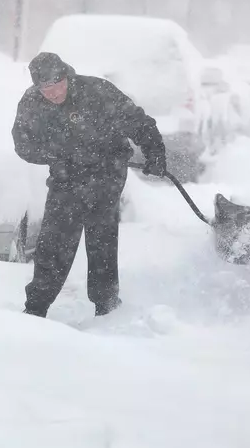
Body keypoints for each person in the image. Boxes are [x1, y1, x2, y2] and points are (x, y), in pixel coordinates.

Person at [11, 52, 166, 318]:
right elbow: (23, 145)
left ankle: (106, 304)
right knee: (55, 239)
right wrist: (60, 155)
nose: (51, 93)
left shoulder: (97, 91)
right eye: (44, 88)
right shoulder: (32, 103)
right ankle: (36, 307)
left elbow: (138, 121)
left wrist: (155, 153)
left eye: (55, 85)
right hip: (66, 175)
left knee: (101, 237)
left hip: (107, 172)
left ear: (66, 77)